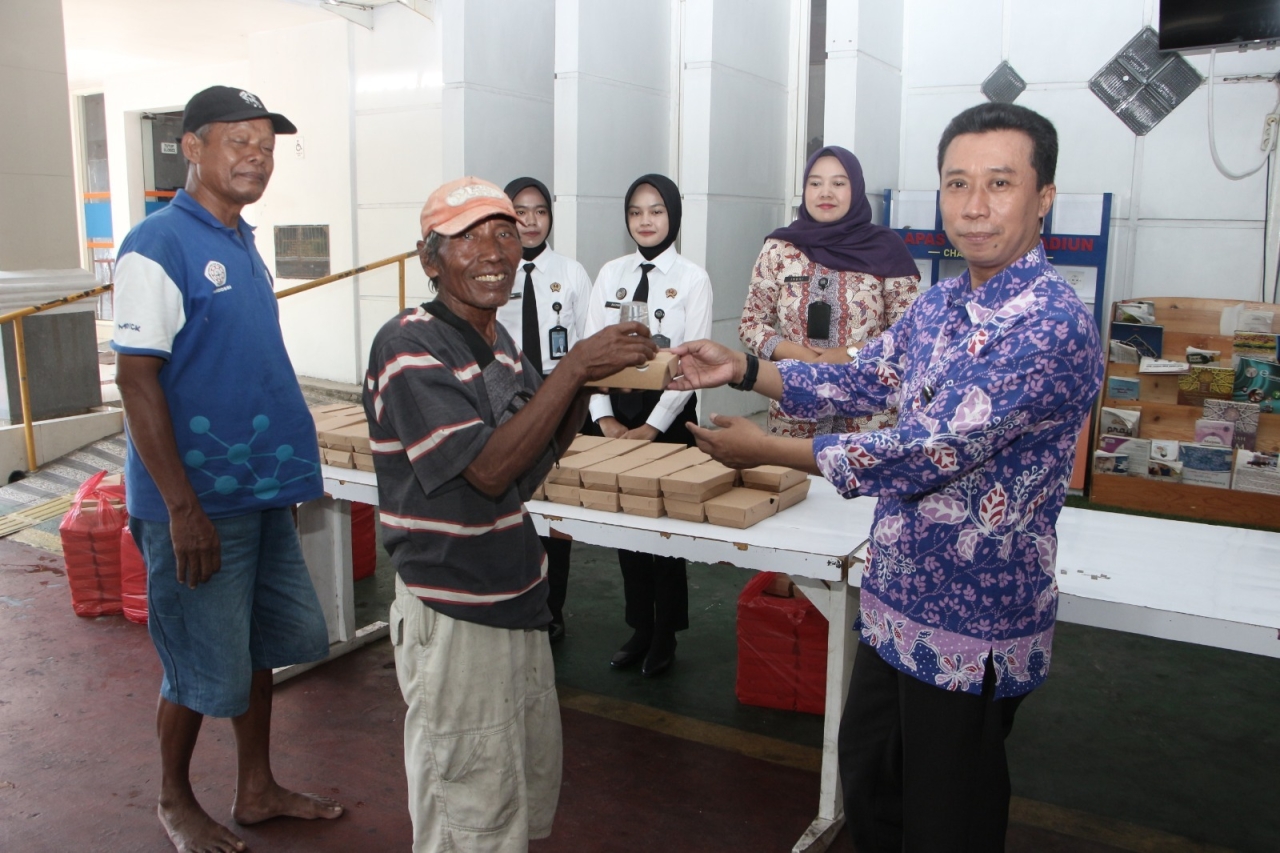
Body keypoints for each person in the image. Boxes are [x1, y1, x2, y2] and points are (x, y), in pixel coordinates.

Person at [669, 102, 1103, 851]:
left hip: (974, 627)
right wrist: (744, 367)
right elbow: (866, 377)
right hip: (897, 600)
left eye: (1000, 183)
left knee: (945, 823)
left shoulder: (1051, 324)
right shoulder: (942, 302)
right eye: (957, 182)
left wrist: (769, 450)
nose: (973, 206)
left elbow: (927, 448)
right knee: (872, 791)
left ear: (1044, 198)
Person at [364, 176, 656, 851]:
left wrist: (587, 381)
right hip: (455, 607)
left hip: (514, 596)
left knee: (511, 795)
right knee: (468, 813)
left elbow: (529, 467)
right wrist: (574, 365)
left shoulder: (498, 345)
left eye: (503, 232)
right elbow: (489, 468)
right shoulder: (410, 343)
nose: (494, 249)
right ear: (429, 258)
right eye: (468, 236)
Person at [112, 86, 343, 853]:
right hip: (198, 501)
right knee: (197, 661)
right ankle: (175, 799)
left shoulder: (240, 239)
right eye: (239, 140)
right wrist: (181, 508)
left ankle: (256, 785)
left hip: (260, 489)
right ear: (192, 148)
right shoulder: (157, 244)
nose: (256, 155)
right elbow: (138, 379)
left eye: (267, 146)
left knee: (260, 644)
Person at [582, 174, 713, 677]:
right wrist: (605, 419)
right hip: (616, 414)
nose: (646, 220)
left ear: (673, 216)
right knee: (626, 524)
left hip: (670, 416)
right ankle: (639, 625)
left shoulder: (692, 278)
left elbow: (694, 363)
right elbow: (589, 352)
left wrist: (653, 429)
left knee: (664, 529)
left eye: (656, 210)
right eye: (636, 211)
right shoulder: (610, 273)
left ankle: (666, 635)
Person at [740, 145, 921, 437]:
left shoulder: (887, 249)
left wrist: (849, 354)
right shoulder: (779, 249)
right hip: (793, 409)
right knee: (793, 484)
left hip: (870, 420)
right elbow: (751, 324)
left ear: (857, 189)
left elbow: (911, 333)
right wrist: (801, 356)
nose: (826, 192)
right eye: (815, 183)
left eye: (838, 183)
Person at [496, 176, 593, 642]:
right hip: (507, 403)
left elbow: (586, 343)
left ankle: (553, 609)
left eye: (540, 211)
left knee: (556, 514)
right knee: (511, 505)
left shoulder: (571, 272)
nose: (530, 221)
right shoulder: (494, 269)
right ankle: (517, 600)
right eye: (520, 211)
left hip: (560, 405)